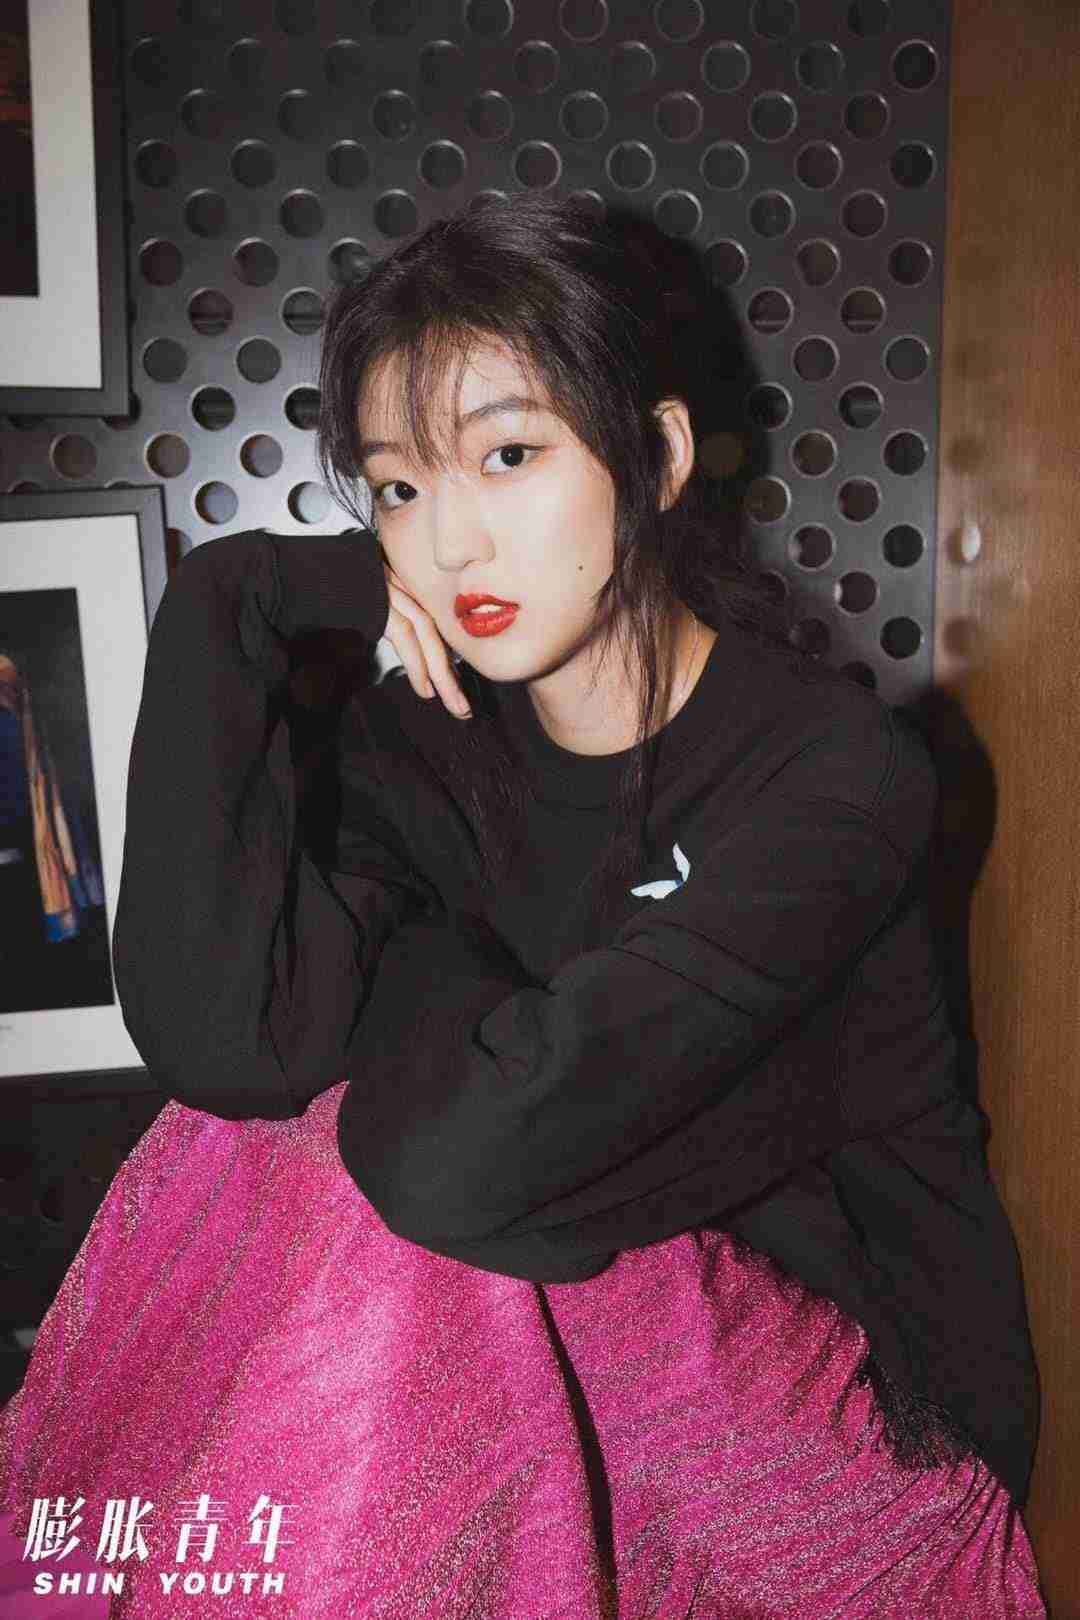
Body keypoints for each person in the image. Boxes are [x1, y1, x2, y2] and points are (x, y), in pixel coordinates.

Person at [0, 195, 1047, 1617]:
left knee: (387, 1202)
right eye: (397, 488)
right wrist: (234, 602)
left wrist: (436, 1030)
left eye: (507, 456)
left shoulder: (833, 779)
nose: (448, 545)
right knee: (289, 1153)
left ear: (656, 459)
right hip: (565, 1360)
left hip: (874, 1456)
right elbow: (222, 1049)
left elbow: (452, 1172)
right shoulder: (423, 754)